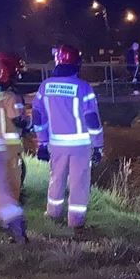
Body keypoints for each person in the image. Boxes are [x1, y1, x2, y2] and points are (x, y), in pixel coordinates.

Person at [32, 45, 103, 230]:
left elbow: (38, 116)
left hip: (56, 145)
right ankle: (76, 222)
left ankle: (53, 215)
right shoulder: (83, 87)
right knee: (79, 184)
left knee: (56, 179)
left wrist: (42, 142)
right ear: (76, 65)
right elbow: (92, 119)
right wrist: (98, 146)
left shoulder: (45, 86)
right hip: (80, 146)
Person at [0, 52, 30, 242]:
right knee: (12, 184)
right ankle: (13, 223)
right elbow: (19, 120)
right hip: (9, 150)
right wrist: (29, 124)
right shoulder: (12, 97)